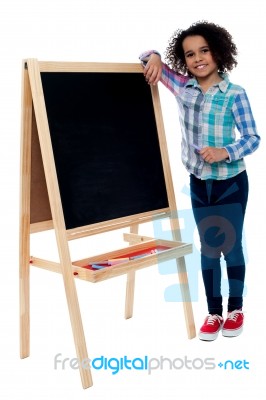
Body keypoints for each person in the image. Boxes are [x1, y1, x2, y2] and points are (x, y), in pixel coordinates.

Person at [139, 21, 260, 341]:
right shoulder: (182, 86)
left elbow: (252, 138)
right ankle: (213, 313)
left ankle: (235, 309)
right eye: (190, 54)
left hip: (231, 182)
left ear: (218, 52)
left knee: (230, 247)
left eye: (204, 50)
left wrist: (225, 151)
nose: (197, 58)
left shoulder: (235, 95)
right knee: (209, 248)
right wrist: (152, 55)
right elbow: (148, 60)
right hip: (198, 182)